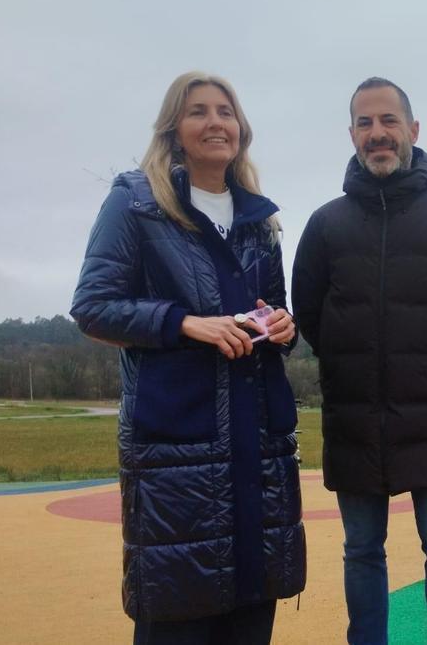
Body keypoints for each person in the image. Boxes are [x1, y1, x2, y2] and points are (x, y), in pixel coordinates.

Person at [71, 72, 306, 644]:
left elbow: (271, 308)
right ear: (175, 128)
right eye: (198, 111)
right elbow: (94, 307)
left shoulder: (260, 220)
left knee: (251, 606)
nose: (215, 122)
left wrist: (283, 324)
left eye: (225, 111)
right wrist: (183, 322)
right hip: (178, 445)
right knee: (179, 607)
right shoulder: (135, 202)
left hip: (259, 446)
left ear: (241, 129)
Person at [292, 77, 427, 644]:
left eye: (388, 121)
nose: (377, 134)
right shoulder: (325, 226)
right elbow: (309, 313)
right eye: (365, 123)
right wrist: (345, 366)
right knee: (361, 550)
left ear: (413, 130)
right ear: (352, 135)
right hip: (354, 418)